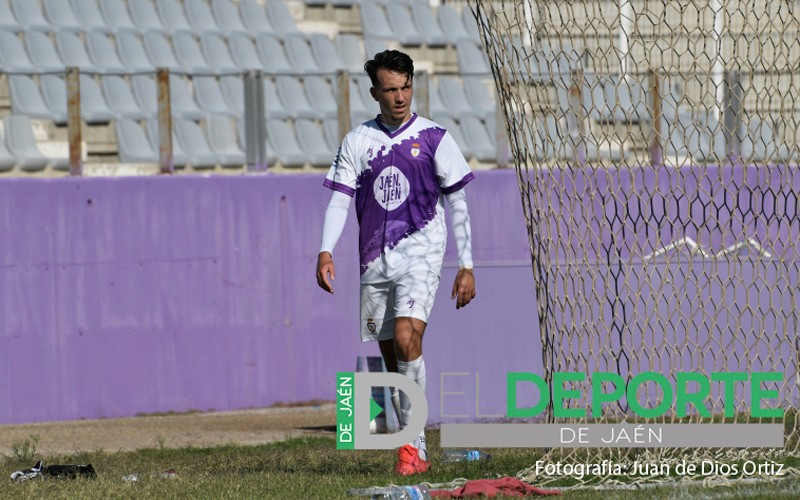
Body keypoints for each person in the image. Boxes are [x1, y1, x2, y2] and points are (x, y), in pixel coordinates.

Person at [316, 50, 476, 476]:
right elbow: (339, 199)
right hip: (375, 263)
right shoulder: (357, 142)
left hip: (421, 255)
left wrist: (466, 264)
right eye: (391, 89)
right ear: (375, 93)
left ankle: (412, 443)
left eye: (406, 87)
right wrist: (325, 249)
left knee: (407, 338)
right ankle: (413, 441)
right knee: (394, 359)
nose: (400, 96)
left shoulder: (435, 138)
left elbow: (457, 201)